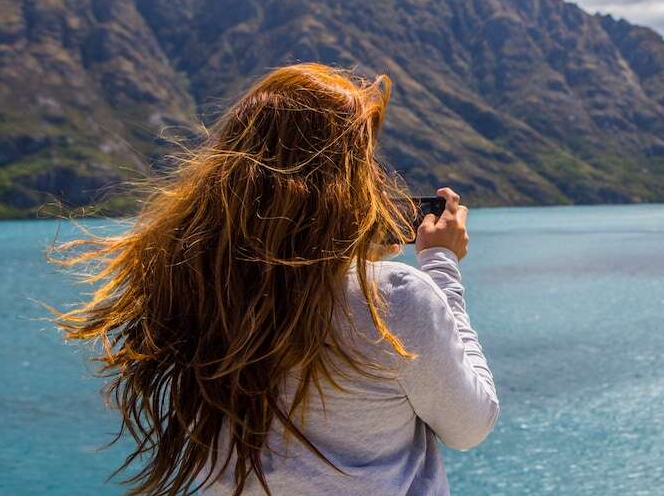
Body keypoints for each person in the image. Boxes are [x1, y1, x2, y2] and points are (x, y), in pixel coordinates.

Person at [50, 63, 499, 495]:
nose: (376, 179)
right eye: (364, 164)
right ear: (343, 181)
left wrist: (350, 252)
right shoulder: (395, 299)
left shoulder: (190, 284)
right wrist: (441, 265)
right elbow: (469, 425)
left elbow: (288, 277)